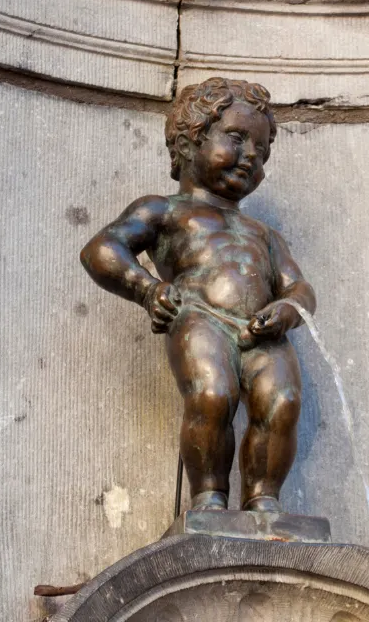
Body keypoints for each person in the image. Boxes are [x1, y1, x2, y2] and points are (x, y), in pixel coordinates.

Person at [80, 78, 316, 513]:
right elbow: (102, 249)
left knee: (283, 401)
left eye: (261, 151)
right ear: (192, 140)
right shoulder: (164, 210)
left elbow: (299, 288)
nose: (250, 156)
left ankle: (264, 500)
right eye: (237, 138)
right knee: (212, 394)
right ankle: (209, 497)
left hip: (263, 330)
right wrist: (147, 290)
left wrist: (287, 309)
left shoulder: (265, 234)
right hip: (199, 316)